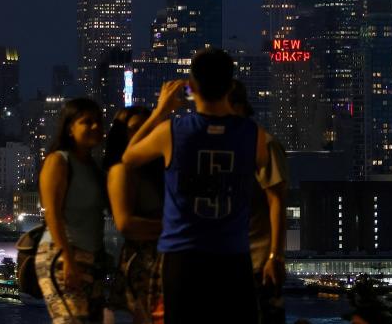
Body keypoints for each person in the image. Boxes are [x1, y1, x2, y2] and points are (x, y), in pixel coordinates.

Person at [123, 49, 274, 324]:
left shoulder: (171, 132)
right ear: (230, 87)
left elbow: (128, 156)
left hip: (183, 257)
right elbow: (262, 164)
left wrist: (161, 110)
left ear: (191, 88)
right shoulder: (254, 135)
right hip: (233, 256)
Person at [37, 97, 108, 323]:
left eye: (98, 121)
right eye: (87, 122)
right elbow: (52, 213)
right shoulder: (58, 161)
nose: (95, 126)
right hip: (62, 256)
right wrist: (67, 258)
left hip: (92, 259)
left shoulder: (94, 168)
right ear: (70, 127)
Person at [230, 80, 287, 324]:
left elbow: (277, 201)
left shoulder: (263, 144)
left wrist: (275, 256)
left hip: (258, 258)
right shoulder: (220, 144)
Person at [104, 105, 165, 324]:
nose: (142, 134)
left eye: (148, 128)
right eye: (134, 129)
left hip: (161, 260)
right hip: (141, 263)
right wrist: (174, 227)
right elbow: (125, 223)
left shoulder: (158, 170)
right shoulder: (121, 171)